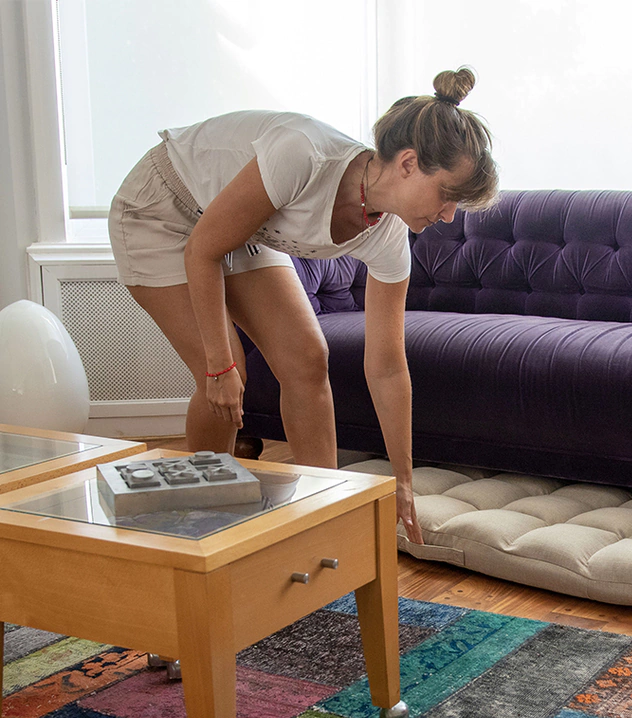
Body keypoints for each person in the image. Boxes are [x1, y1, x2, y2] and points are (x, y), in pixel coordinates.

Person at [108, 68, 498, 544]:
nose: (450, 215)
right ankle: (201, 522)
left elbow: (388, 367)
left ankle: (321, 518)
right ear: (409, 163)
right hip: (160, 209)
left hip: (239, 224)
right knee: (227, 369)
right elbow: (203, 250)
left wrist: (402, 481)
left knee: (307, 358)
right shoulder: (304, 154)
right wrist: (218, 367)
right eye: (448, 196)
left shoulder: (389, 237)